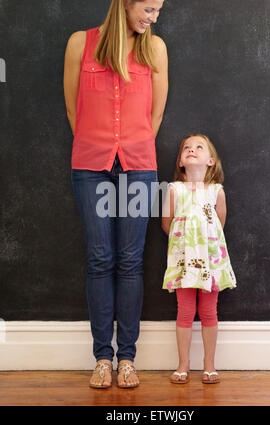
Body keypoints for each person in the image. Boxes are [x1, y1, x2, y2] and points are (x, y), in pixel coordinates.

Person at [63, 0, 168, 389]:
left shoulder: (154, 48)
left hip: (138, 166)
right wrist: (101, 144)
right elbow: (74, 108)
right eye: (149, 8)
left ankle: (127, 358)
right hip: (91, 166)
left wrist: (130, 148)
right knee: (100, 258)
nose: (153, 17)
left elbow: (155, 114)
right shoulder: (80, 44)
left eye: (158, 11)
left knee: (130, 261)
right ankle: (102, 359)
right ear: (125, 3)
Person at [161, 134, 236, 384]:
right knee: (185, 311)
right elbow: (166, 223)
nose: (192, 150)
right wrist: (186, 243)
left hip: (210, 261)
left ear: (210, 160)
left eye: (198, 147)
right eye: (187, 148)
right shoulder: (174, 189)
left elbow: (219, 224)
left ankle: (209, 365)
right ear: (181, 161)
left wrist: (205, 244)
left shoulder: (216, 191)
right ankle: (183, 365)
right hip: (184, 261)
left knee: (208, 311)